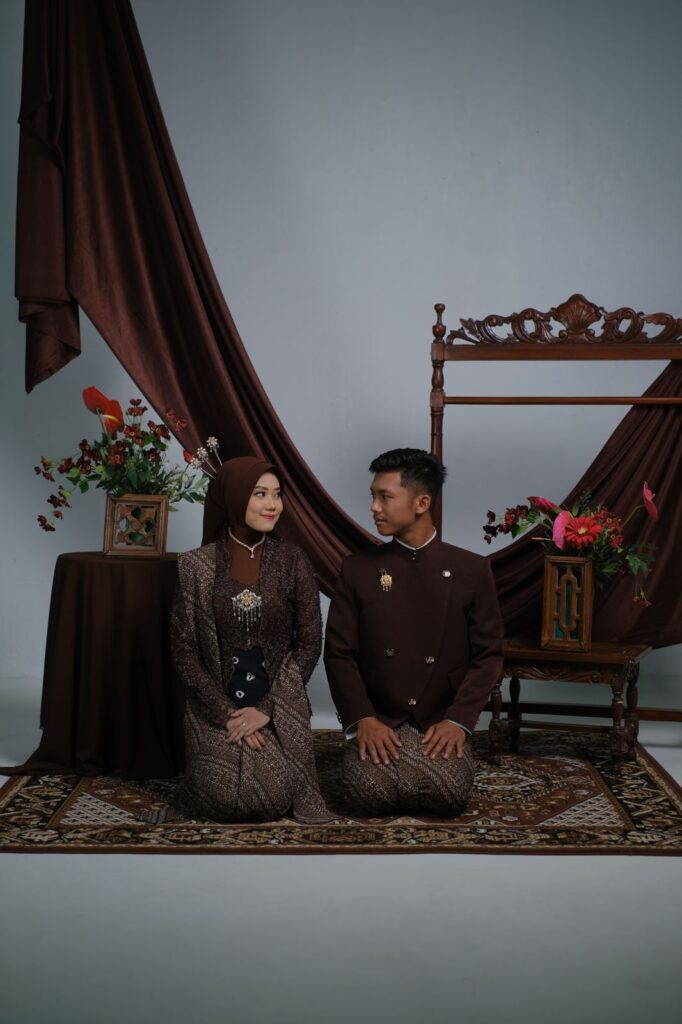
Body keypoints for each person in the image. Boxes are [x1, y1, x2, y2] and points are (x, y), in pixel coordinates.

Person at [324, 448, 503, 816]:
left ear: (422, 502)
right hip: (378, 713)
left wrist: (458, 721)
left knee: (447, 795)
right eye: (373, 496)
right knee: (368, 795)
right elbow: (339, 653)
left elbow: (489, 655)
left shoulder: (472, 569)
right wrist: (362, 719)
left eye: (384, 496)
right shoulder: (357, 569)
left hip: (439, 715)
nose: (374, 507)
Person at [171, 456, 331, 823]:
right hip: (214, 708)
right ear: (233, 496)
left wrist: (266, 709)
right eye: (260, 494)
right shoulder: (195, 566)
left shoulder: (293, 561)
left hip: (279, 705)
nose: (273, 505)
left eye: (277, 494)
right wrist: (226, 714)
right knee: (223, 793)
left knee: (270, 795)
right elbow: (184, 651)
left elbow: (309, 644)